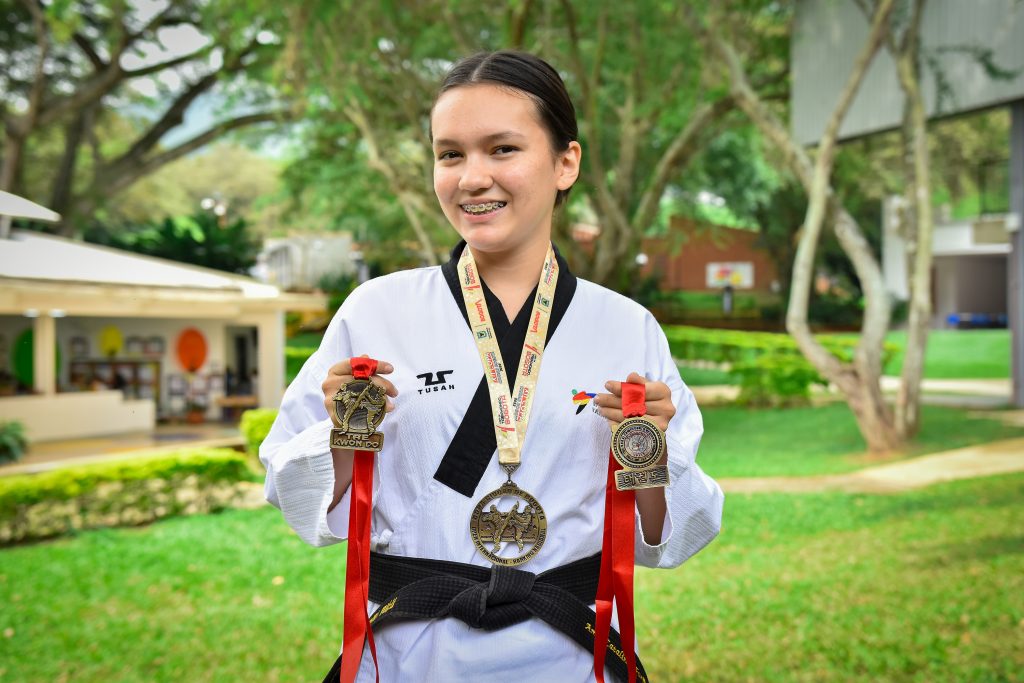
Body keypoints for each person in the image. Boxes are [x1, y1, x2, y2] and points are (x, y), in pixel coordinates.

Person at [261, 50, 723, 682]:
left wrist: (649, 449)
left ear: (566, 163)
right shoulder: (378, 310)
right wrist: (345, 432)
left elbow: (673, 537)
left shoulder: (624, 326)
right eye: (450, 154)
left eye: (502, 149)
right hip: (411, 651)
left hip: (568, 649)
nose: (471, 177)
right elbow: (296, 500)